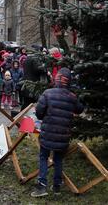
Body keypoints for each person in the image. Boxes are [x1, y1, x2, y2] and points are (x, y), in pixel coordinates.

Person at [31, 68, 84, 198]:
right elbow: (80, 109)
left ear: (56, 79)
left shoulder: (47, 93)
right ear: (68, 82)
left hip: (48, 133)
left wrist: (45, 117)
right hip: (64, 134)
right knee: (58, 159)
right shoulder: (72, 97)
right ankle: (56, 187)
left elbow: (39, 112)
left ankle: (42, 186)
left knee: (43, 157)